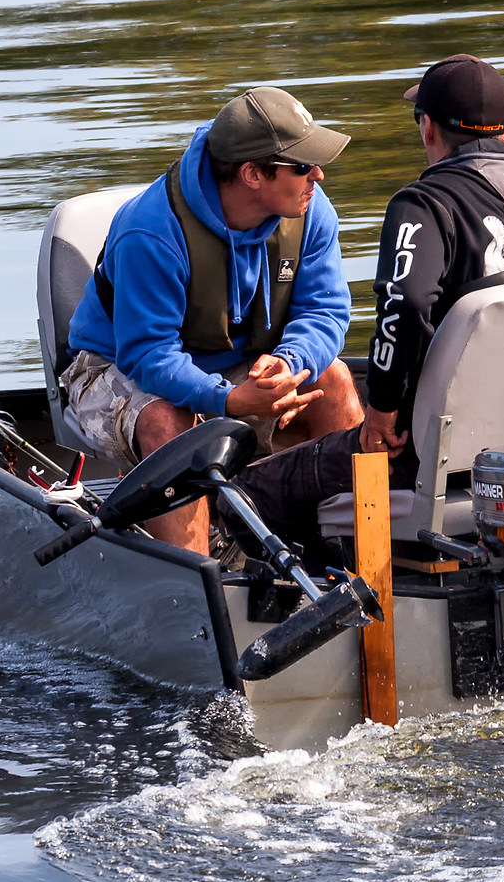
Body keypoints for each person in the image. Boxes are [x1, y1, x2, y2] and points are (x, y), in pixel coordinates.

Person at [233, 54, 504, 548]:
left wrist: (381, 412)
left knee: (244, 492)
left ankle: (322, 599)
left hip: (422, 457)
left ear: (428, 129)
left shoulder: (421, 205)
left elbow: (406, 307)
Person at [62, 86, 364, 553]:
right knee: (168, 421)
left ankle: (357, 563)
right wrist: (230, 400)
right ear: (252, 174)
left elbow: (325, 309)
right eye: (302, 166)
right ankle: (196, 592)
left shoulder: (309, 210)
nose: (318, 177)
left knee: (335, 380)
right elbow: (147, 355)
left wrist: (287, 362)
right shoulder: (151, 233)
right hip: (114, 367)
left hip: (239, 363)